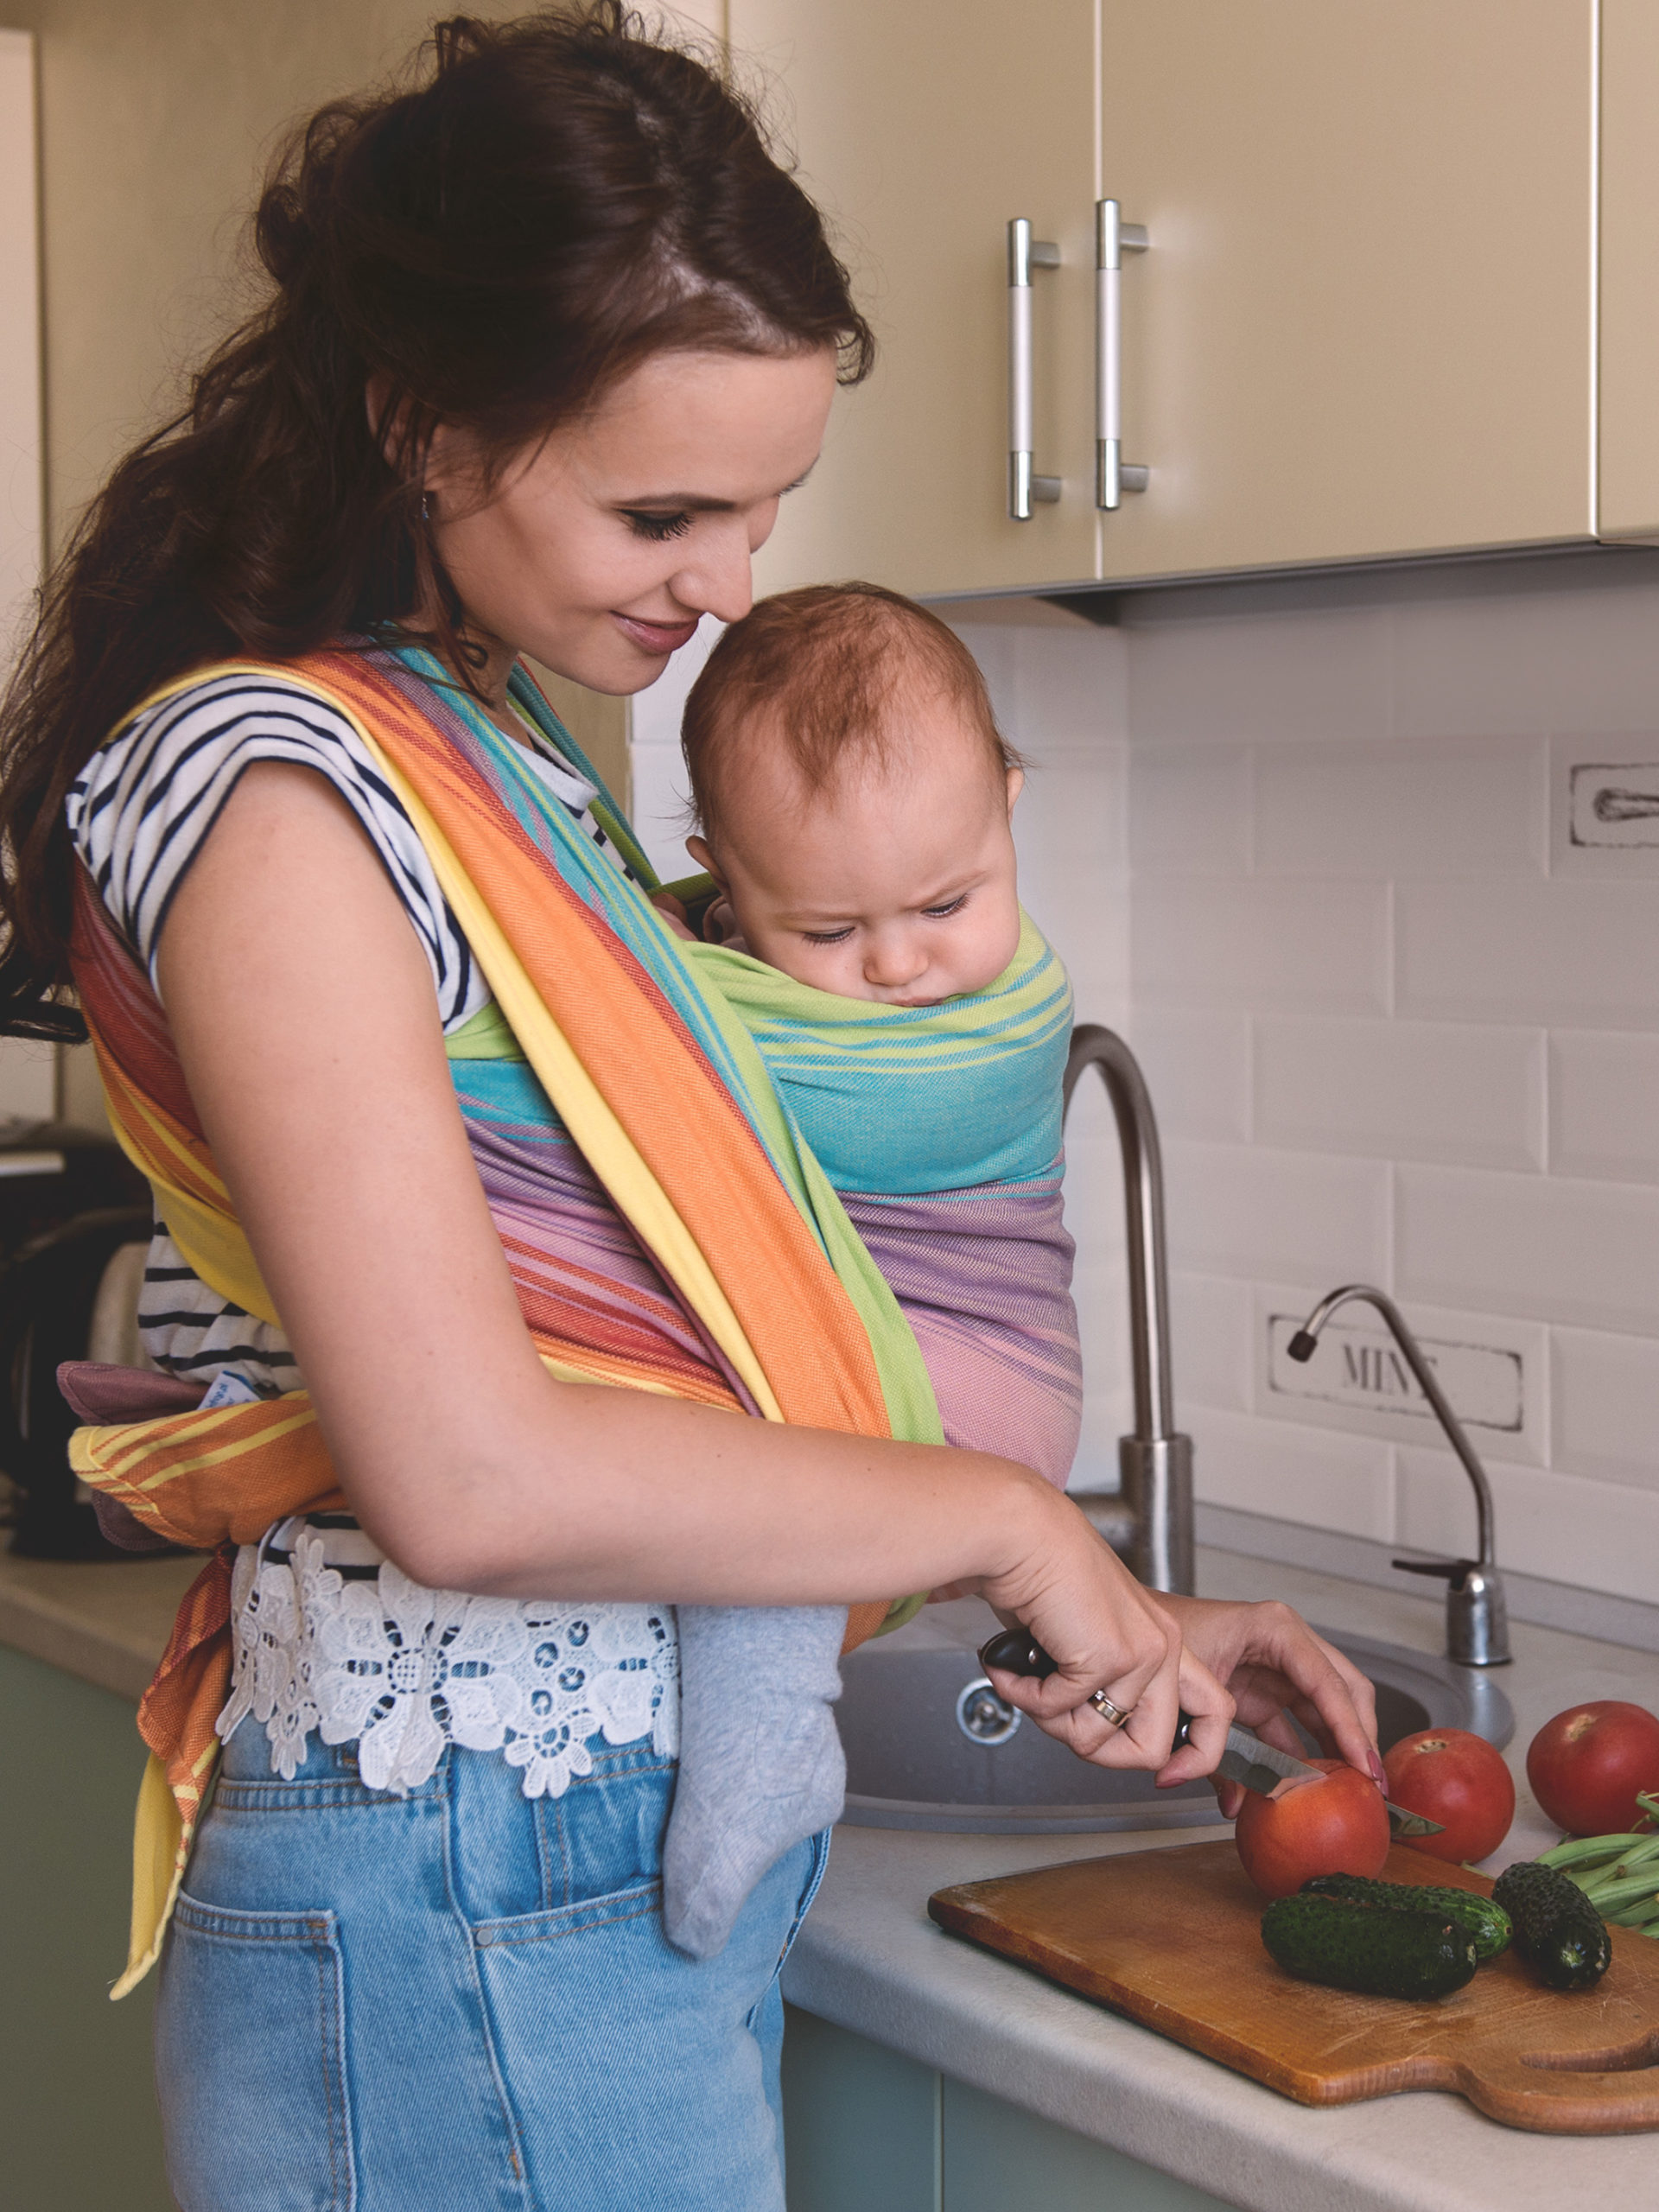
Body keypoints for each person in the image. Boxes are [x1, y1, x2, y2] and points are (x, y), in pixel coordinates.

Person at [0, 10, 1381, 2209]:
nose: (729, 582)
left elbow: (673, 1347)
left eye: (761, 510)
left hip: (562, 1843)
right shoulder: (280, 789)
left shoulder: (491, 751)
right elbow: (469, 1471)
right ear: (422, 426)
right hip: (463, 1857)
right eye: (666, 509)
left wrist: (1098, 1597)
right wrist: (1004, 1518)